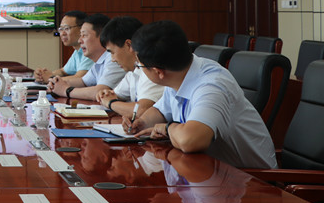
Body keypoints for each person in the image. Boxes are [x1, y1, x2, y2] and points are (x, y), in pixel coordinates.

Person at [124, 20, 277, 169]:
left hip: (251, 179)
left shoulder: (211, 85)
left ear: (158, 72)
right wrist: (142, 122)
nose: (138, 68)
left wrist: (167, 129)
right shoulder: (179, 73)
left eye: (139, 65)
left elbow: (190, 141)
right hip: (209, 172)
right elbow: (161, 111)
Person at [95, 16, 164, 118]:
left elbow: (142, 111)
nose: (113, 59)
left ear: (129, 45)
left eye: (112, 52)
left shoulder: (151, 69)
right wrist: (105, 94)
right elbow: (114, 95)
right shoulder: (134, 71)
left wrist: (111, 103)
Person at [47, 13, 126, 101]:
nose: (79, 40)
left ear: (102, 37)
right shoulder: (99, 60)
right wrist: (56, 83)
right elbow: (83, 82)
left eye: (84, 35)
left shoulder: (114, 59)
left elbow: (100, 92)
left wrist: (66, 90)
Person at [33, 10, 94, 82]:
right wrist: (44, 75)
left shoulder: (90, 50)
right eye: (61, 29)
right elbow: (63, 71)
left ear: (82, 29)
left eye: (67, 28)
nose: (62, 33)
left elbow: (80, 78)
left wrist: (50, 79)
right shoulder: (77, 51)